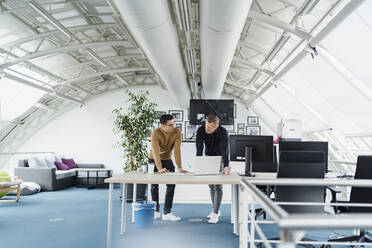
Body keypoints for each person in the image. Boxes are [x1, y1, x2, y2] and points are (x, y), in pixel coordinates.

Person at [148, 114, 188, 221]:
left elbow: (177, 150)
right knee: (154, 185)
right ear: (162, 125)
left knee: (171, 184)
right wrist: (159, 168)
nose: (172, 127)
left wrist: (179, 167)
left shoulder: (177, 132)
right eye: (169, 125)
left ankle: (167, 212)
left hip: (167, 159)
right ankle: (156, 211)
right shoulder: (155, 133)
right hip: (154, 159)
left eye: (173, 124)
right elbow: (156, 152)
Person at [196, 115, 230, 224]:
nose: (207, 129)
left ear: (216, 127)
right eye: (206, 125)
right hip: (208, 156)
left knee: (218, 186)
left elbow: (225, 151)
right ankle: (215, 209)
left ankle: (215, 214)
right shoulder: (201, 130)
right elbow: (199, 148)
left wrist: (226, 166)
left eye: (210, 127)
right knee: (211, 185)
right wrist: (199, 164)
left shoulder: (223, 132)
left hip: (219, 157)